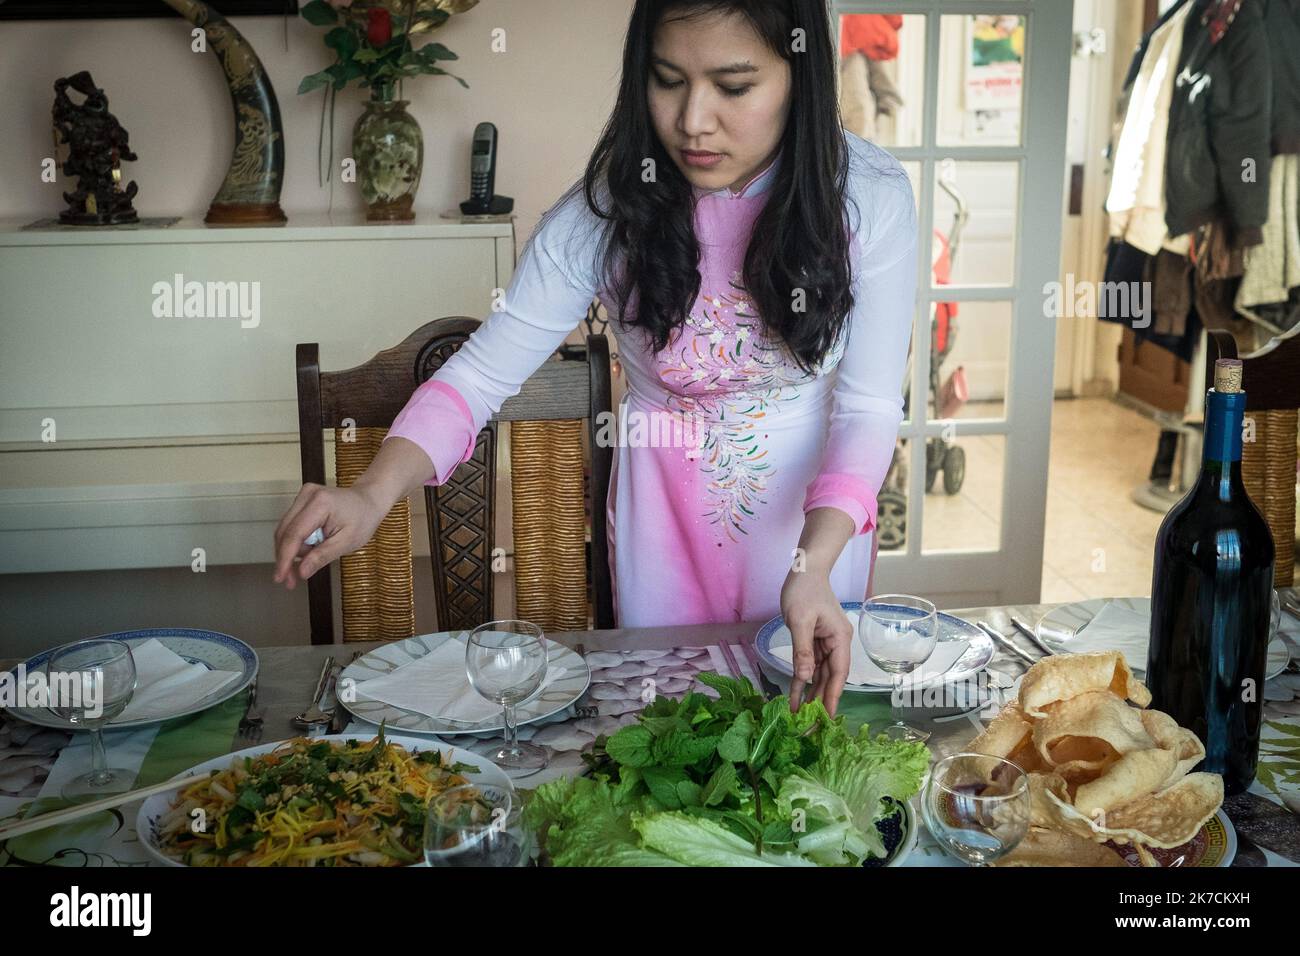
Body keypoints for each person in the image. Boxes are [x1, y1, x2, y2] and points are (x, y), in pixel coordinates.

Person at [272, 0, 918, 718]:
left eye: (734, 87)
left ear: (802, 78)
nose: (693, 120)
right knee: (668, 746)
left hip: (813, 530)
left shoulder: (867, 196)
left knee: (808, 757)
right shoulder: (608, 209)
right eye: (667, 78)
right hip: (663, 524)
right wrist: (371, 492)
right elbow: (482, 374)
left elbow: (866, 408)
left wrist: (814, 564)